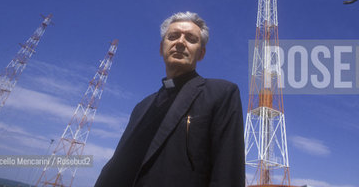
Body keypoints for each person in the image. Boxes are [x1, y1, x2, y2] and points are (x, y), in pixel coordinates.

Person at [94, 12, 245, 187]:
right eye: (173, 36)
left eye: (190, 38)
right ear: (161, 48)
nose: (180, 42)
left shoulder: (221, 93)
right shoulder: (142, 107)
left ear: (201, 53)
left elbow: (228, 175)